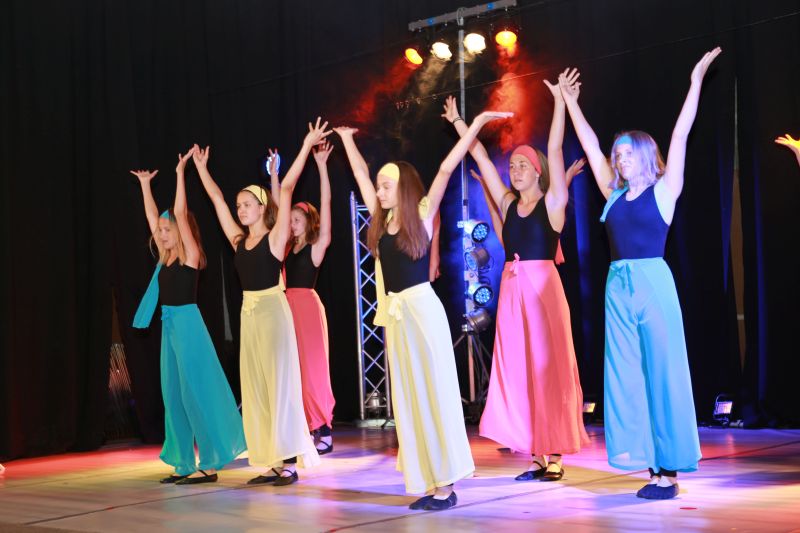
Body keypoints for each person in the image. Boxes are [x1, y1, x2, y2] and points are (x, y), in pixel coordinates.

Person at [559, 47, 721, 499]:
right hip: (618, 288)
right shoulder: (612, 194)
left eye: (627, 152)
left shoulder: (665, 191)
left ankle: (670, 469)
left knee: (662, 373)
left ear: (646, 154)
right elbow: (590, 145)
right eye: (618, 154)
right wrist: (570, 103)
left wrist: (696, 82)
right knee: (629, 377)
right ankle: (651, 464)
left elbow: (681, 133)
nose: (619, 158)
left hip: (653, 285)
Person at [334, 108, 512, 510]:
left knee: (434, 394)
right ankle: (428, 480)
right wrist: (346, 140)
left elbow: (447, 167)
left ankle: (446, 484)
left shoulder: (422, 213)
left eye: (385, 186)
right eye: (378, 187)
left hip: (422, 312)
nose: (379, 191)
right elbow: (359, 173)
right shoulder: (380, 221)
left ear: (402, 188)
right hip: (397, 318)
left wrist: (475, 124)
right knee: (409, 399)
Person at [442, 75, 588, 483]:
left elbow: (555, 149)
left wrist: (559, 102)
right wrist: (459, 122)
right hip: (512, 293)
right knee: (522, 371)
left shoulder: (553, 203)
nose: (516, 169)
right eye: (514, 165)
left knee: (549, 370)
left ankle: (555, 454)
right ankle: (535, 454)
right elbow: (481, 157)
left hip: (543, 292)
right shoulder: (507, 205)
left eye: (524, 165)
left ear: (539, 172)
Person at [192, 118, 331, 486]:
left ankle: (289, 463)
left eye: (247, 204)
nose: (240, 209)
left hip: (273, 312)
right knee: (256, 388)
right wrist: (202, 170)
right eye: (239, 205)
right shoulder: (239, 241)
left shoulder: (275, 238)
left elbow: (287, 188)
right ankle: (270, 460)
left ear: (261, 207)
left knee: (281, 385)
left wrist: (306, 146)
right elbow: (216, 200)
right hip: (249, 314)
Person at [131, 147, 245, 485]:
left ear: (181, 231)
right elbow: (153, 217)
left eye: (168, 230)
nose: (162, 234)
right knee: (175, 397)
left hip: (189, 326)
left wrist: (181, 174)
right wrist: (145, 186)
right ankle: (182, 461)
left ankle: (209, 463)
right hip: (169, 327)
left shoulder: (190, 256)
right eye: (160, 231)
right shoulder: (164, 258)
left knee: (196, 394)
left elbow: (178, 213)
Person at [280, 140, 336, 455]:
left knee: (314, 370)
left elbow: (326, 205)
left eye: (297, 219)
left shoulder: (316, 247)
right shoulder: (286, 248)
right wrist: (274, 177)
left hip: (307, 309)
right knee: (295, 370)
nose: (291, 223)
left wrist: (323, 166)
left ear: (309, 222)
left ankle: (324, 428)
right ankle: (305, 427)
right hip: (287, 308)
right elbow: (278, 207)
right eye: (290, 220)